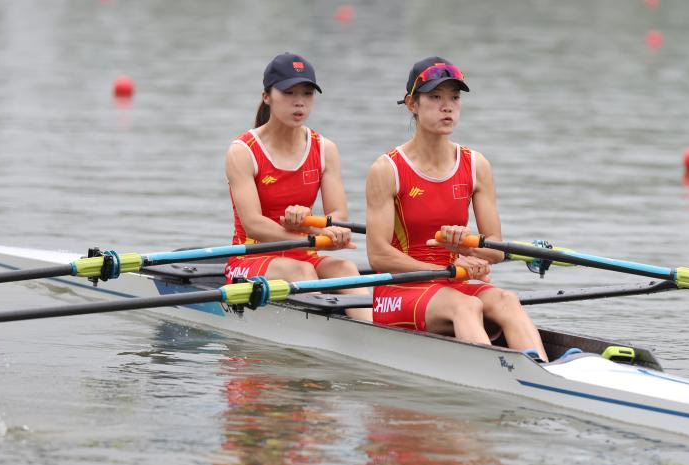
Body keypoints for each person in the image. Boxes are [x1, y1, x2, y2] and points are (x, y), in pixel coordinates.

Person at [364, 56, 548, 359]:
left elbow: (496, 249)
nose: (447, 106)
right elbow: (379, 256)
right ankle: (494, 377)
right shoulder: (387, 169)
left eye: (454, 97)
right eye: (435, 97)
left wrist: (467, 246)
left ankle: (542, 372)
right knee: (467, 305)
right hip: (399, 290)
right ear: (412, 104)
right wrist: (445, 270)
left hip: (452, 281)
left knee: (506, 300)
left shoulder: (476, 165)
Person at [225, 52, 372, 321]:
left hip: (306, 255)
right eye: (289, 93)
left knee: (347, 268)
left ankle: (374, 340)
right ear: (267, 96)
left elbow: (338, 215)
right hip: (249, 259)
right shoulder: (243, 151)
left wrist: (324, 229)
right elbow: (253, 224)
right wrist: (311, 235)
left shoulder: (325, 149)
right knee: (302, 273)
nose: (299, 102)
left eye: (307, 93)